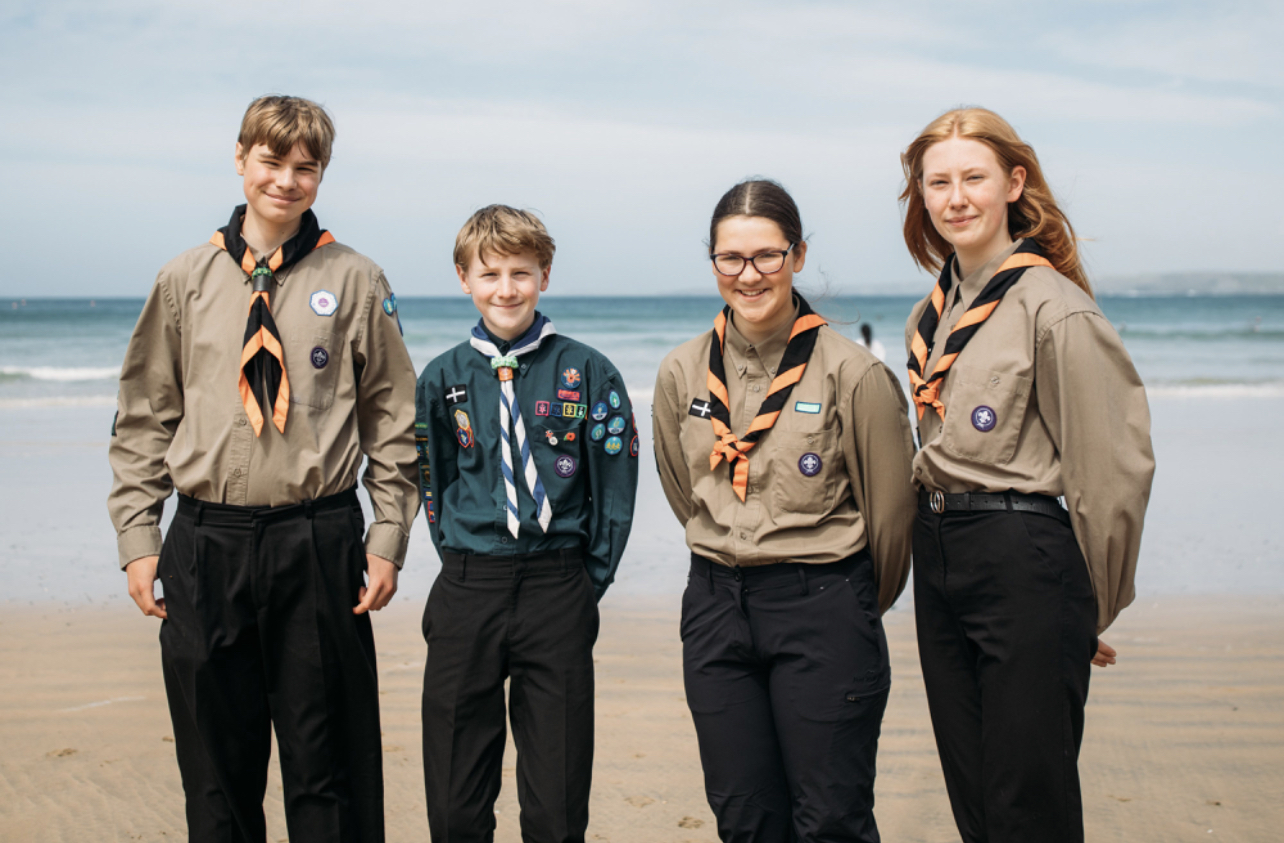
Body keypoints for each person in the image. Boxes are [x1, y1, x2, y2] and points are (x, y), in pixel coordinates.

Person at [107, 95, 418, 843]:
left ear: (321, 176)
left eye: (305, 167)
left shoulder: (356, 279)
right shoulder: (185, 278)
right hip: (204, 543)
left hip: (318, 542)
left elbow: (393, 418)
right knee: (216, 770)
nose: (287, 180)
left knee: (327, 769)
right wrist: (138, 535)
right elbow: (145, 412)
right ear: (241, 158)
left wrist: (387, 536)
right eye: (272, 161)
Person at [898, 107, 1155, 843]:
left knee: (1027, 804)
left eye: (973, 177)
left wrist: (1090, 604)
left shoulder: (1051, 305)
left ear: (1013, 182)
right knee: (975, 798)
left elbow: (1114, 466)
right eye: (937, 182)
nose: (955, 198)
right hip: (941, 551)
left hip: (1025, 556)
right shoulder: (933, 312)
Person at [653, 179, 917, 842]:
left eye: (767, 255)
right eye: (731, 259)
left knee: (830, 820)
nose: (750, 275)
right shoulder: (682, 372)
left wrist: (838, 604)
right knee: (745, 820)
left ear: (798, 255)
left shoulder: (853, 374)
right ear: (713, 263)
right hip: (714, 608)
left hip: (822, 607)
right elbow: (684, 490)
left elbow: (891, 521)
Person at [415, 205, 639, 843]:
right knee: (457, 800)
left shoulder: (588, 372)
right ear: (464, 279)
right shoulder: (442, 378)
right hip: (467, 589)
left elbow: (614, 485)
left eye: (521, 272)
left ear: (545, 274)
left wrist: (585, 579)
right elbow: (432, 479)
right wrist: (463, 558)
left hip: (557, 589)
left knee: (557, 802)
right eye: (489, 274)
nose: (506, 289)